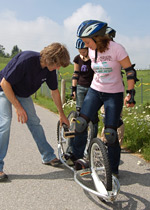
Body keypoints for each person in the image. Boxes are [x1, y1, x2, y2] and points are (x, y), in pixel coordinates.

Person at [70, 20, 138, 177]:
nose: (86, 45)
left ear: (98, 38)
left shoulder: (117, 49)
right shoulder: (91, 50)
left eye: (88, 41)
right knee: (80, 123)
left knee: (110, 133)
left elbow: (129, 71)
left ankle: (113, 170)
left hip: (113, 94)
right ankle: (77, 158)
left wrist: (130, 93)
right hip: (95, 91)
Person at [0, 42, 70, 181]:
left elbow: (54, 91)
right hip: (4, 90)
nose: (58, 68)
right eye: (57, 65)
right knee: (5, 123)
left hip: (23, 95)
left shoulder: (49, 70)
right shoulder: (26, 60)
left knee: (34, 123)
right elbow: (4, 83)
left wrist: (61, 115)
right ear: (51, 59)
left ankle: (48, 156)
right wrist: (18, 107)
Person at [100, 27, 125, 146]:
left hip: (115, 88)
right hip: (103, 87)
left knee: (116, 118)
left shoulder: (116, 49)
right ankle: (104, 140)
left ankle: (117, 142)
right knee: (105, 116)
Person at [71, 38, 99, 136]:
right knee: (80, 113)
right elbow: (75, 74)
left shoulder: (94, 58)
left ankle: (93, 139)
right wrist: (73, 89)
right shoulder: (77, 59)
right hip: (80, 87)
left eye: (83, 51)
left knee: (93, 115)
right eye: (80, 52)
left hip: (92, 88)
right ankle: (79, 136)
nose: (82, 53)